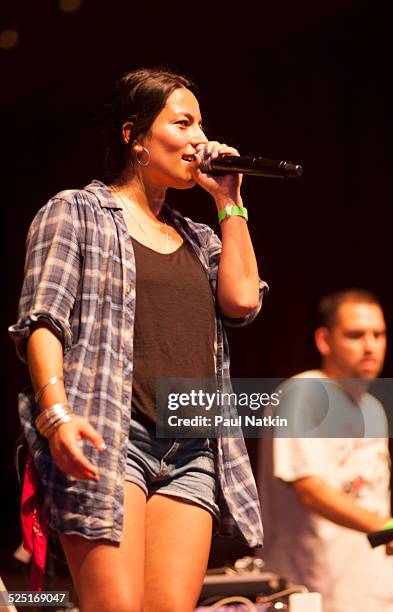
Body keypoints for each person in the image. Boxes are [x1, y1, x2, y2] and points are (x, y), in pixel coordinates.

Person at [9, 67, 268, 612]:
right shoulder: (75, 211)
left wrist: (229, 201)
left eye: (202, 124)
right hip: (111, 433)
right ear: (134, 135)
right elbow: (42, 321)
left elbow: (244, 301)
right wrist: (54, 415)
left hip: (193, 448)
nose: (200, 138)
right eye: (183, 122)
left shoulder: (199, 239)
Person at [258, 289, 393, 611]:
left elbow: (371, 499)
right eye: (355, 335)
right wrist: (387, 527)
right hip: (316, 588)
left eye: (378, 334)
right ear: (325, 341)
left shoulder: (374, 409)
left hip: (377, 593)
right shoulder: (304, 393)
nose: (370, 346)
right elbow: (309, 490)